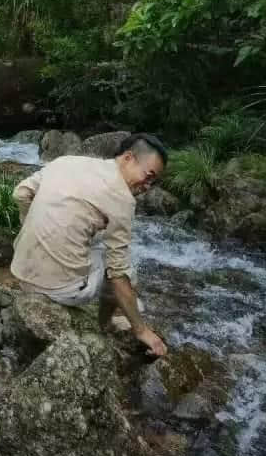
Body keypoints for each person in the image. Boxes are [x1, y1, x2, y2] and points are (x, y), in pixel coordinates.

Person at [10, 133, 169, 357]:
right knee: (125, 271)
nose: (148, 186)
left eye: (153, 182)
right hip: (59, 291)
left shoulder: (67, 161)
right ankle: (103, 326)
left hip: (20, 269)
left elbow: (21, 193)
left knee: (97, 240)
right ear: (128, 158)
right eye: (148, 175)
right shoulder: (123, 200)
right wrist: (142, 330)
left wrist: (34, 228)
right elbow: (117, 275)